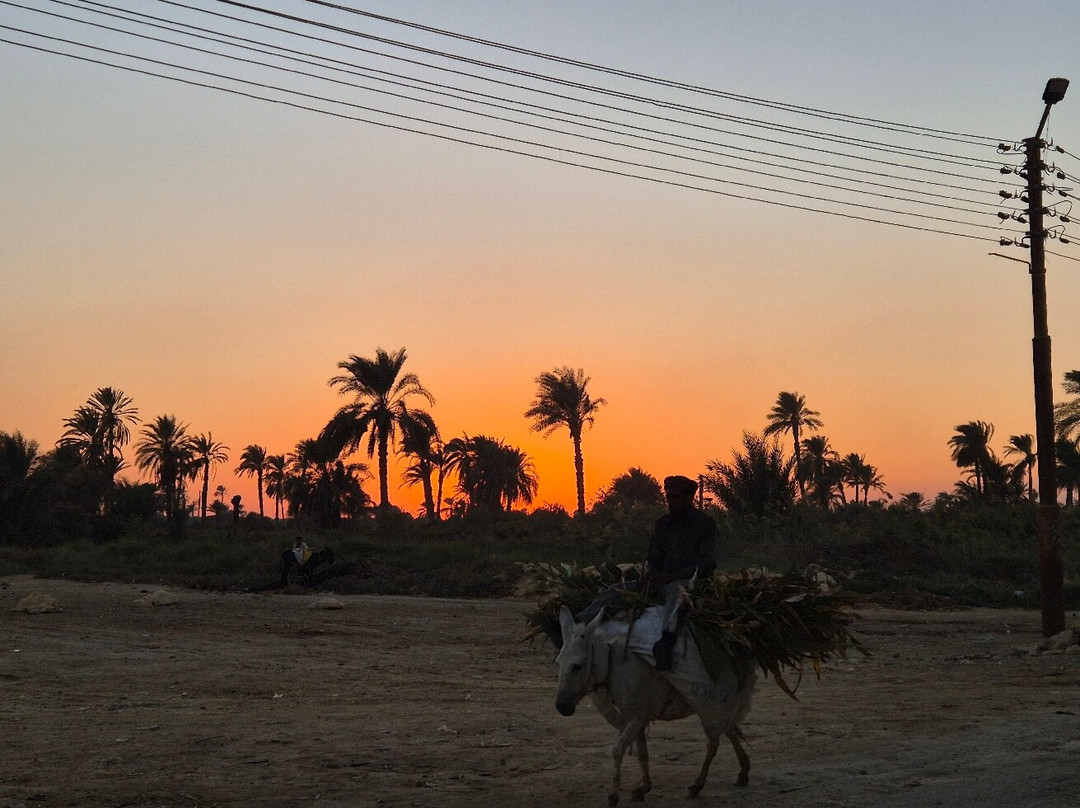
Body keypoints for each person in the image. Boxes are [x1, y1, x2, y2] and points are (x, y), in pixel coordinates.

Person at [647, 474, 717, 671]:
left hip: (692, 583)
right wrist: (653, 575)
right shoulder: (662, 525)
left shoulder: (705, 524)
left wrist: (671, 577)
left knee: (674, 591)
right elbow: (654, 558)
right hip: (662, 580)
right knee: (617, 589)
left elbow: (704, 565)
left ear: (689, 498)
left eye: (675, 497)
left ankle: (666, 643)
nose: (670, 502)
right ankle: (580, 621)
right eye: (668, 497)